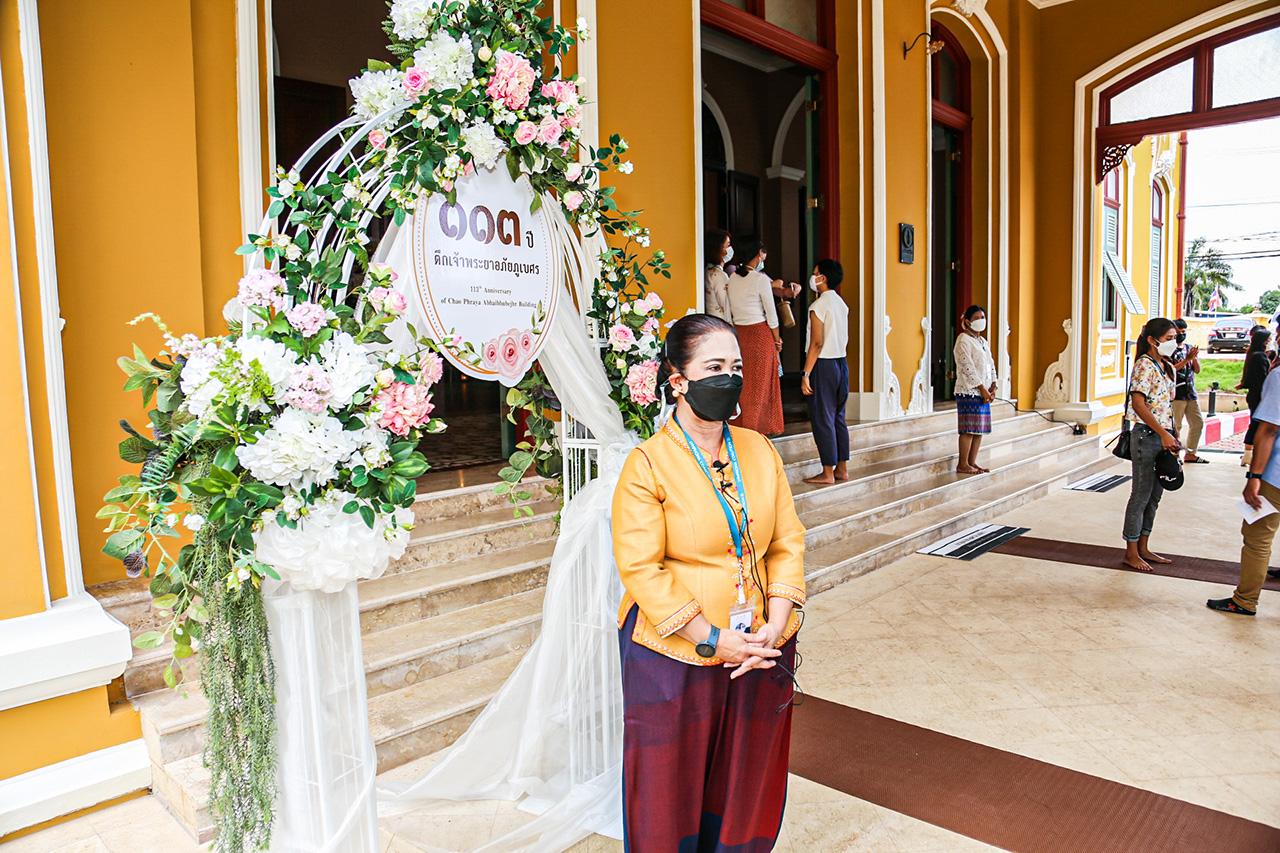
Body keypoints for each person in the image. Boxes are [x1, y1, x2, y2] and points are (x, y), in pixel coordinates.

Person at [611, 313, 806, 851]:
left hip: (759, 647)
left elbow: (787, 540)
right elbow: (642, 568)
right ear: (678, 380)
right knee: (667, 789)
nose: (730, 379)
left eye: (736, 368)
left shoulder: (759, 450)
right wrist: (712, 638)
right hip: (676, 653)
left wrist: (776, 626)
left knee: (747, 780)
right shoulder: (648, 464)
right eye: (714, 367)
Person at [1210, 363, 1280, 616]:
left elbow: (1269, 429)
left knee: (1258, 537)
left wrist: (1254, 476)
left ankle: (1244, 600)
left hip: (1276, 477)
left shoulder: (1279, 376)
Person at [1122, 317, 1181, 573]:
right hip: (1147, 436)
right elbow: (1138, 404)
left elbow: (1166, 405)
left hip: (1164, 436)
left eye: (1175, 338)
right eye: (1169, 338)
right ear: (1152, 340)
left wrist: (1172, 435)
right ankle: (1131, 552)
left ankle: (1144, 547)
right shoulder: (1144, 365)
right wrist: (1162, 433)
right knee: (1141, 495)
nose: (1174, 343)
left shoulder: (1165, 365)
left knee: (1155, 496)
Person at [800, 259, 850, 485]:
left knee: (823, 418)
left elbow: (817, 343)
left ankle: (827, 472)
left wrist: (806, 374)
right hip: (841, 363)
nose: (813, 277)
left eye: (816, 273)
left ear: (824, 278)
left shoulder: (818, 306)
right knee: (838, 417)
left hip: (823, 365)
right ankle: (842, 469)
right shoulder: (840, 303)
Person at [727, 240, 785, 435]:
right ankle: (758, 429)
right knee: (762, 385)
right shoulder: (760, 280)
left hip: (740, 336)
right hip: (760, 335)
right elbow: (772, 315)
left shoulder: (732, 279)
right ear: (757, 255)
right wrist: (777, 340)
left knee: (744, 383)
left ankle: (742, 427)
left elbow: (729, 313)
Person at [952, 305, 997, 474]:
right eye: (977, 318)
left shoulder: (982, 341)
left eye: (982, 317)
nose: (981, 321)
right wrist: (981, 388)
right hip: (969, 391)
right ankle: (962, 464)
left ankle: (972, 462)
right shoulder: (963, 340)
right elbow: (967, 367)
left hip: (984, 392)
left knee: (979, 430)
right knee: (968, 430)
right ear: (968, 321)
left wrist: (993, 385)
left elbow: (990, 363)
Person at [1170, 318, 1206, 464]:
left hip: (1190, 393)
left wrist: (1193, 358)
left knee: (1197, 423)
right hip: (1176, 394)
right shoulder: (1168, 350)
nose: (1182, 335)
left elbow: (1197, 370)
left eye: (1184, 332)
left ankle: (1191, 453)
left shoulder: (1188, 348)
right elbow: (1170, 370)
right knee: (1176, 426)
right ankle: (1173, 455)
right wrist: (1186, 360)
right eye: (1179, 332)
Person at [1236, 325, 1272, 468]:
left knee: (1255, 423)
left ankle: (1248, 454)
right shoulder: (1260, 356)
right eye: (1268, 340)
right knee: (1256, 424)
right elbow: (1263, 378)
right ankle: (1249, 454)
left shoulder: (1254, 354)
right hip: (1259, 395)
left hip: (1254, 395)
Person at [704, 228, 734, 323]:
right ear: (719, 249)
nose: (730, 249)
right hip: (721, 324)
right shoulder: (719, 275)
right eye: (727, 245)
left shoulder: (707, 271)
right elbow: (726, 306)